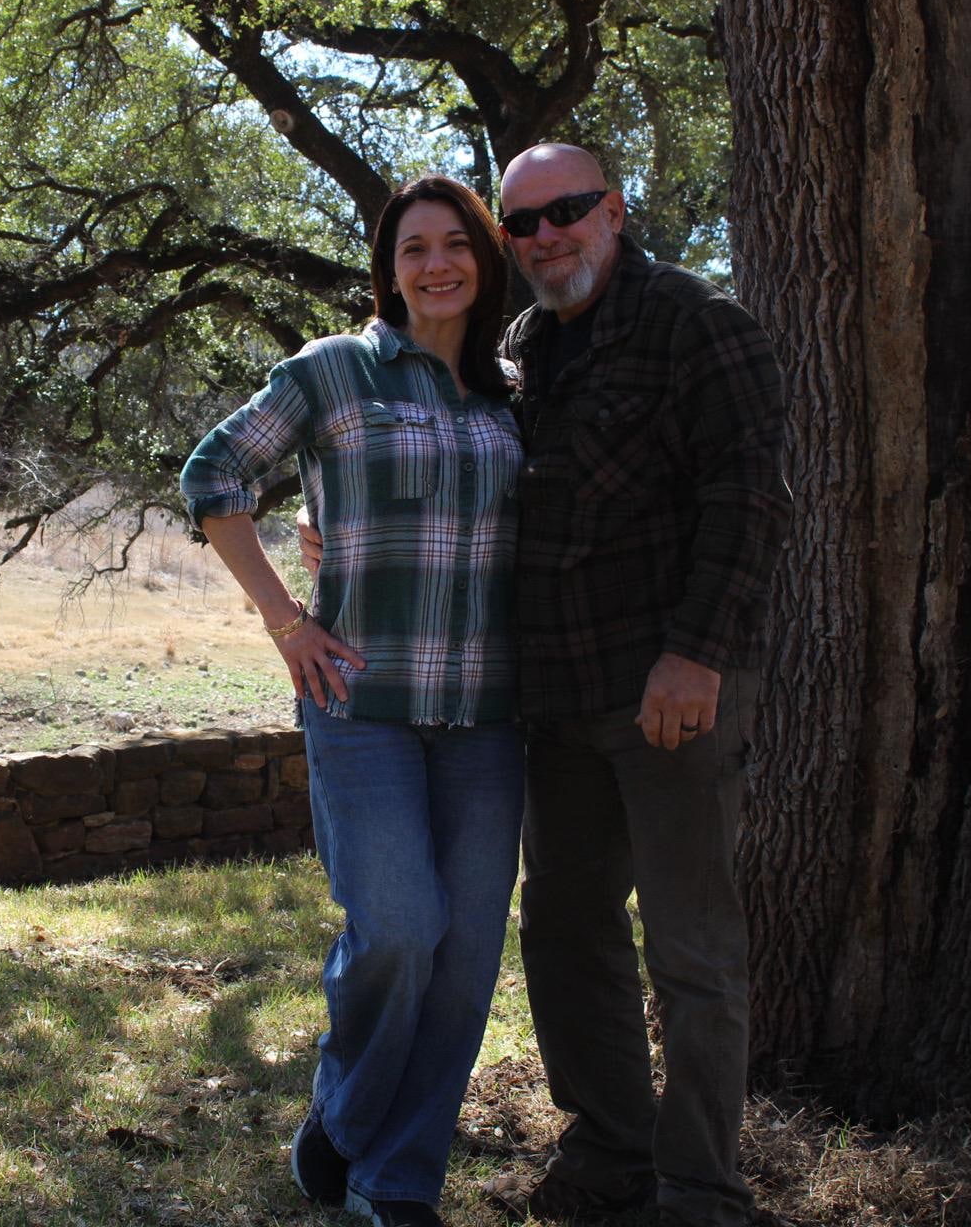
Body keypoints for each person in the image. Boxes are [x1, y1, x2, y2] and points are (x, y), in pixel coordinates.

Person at [302, 143, 790, 1226]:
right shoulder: (523, 349)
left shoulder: (698, 324)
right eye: (521, 223)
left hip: (671, 693)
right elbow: (451, 478)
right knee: (566, 931)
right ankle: (610, 1153)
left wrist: (696, 653)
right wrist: (325, 516)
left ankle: (700, 1189)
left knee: (690, 946)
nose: (544, 236)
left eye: (564, 210)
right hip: (554, 700)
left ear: (613, 210)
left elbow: (751, 498)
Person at [180, 175, 526, 1227]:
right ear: (389, 269)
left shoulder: (517, 391)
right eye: (413, 248)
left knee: (464, 958)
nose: (436, 264)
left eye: (455, 243)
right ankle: (342, 1116)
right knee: (400, 926)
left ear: (484, 258)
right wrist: (287, 618)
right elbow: (214, 474)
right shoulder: (334, 370)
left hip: (488, 713)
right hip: (360, 702)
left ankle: (397, 1177)